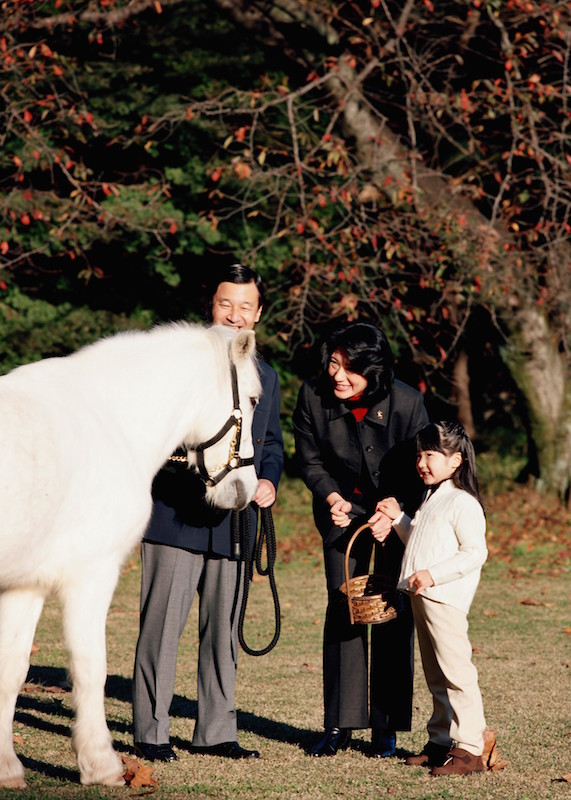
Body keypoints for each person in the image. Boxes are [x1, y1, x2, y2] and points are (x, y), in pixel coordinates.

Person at [132, 264, 284, 762]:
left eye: (245, 307)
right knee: (161, 629)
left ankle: (217, 731)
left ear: (258, 314)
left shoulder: (267, 376)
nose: (235, 316)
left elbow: (274, 446)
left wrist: (267, 480)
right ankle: (150, 733)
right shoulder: (177, 365)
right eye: (226, 304)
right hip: (175, 517)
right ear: (211, 307)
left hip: (235, 523)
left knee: (223, 634)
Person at [293, 321, 429, 758]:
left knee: (391, 609)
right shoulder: (312, 396)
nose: (338, 376)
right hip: (340, 514)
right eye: (334, 363)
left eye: (350, 369)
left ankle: (386, 727)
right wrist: (331, 496)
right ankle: (339, 723)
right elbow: (309, 460)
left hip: (394, 513)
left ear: (374, 371)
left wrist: (396, 510)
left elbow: (423, 469)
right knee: (344, 606)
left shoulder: (408, 402)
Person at [374, 421, 489, 775]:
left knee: (456, 673)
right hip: (423, 598)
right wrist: (399, 520)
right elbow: (423, 543)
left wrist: (433, 575)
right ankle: (440, 741)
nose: (422, 463)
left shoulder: (463, 503)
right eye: (420, 455)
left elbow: (474, 553)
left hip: (445, 599)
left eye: (431, 455)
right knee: (436, 674)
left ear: (455, 461)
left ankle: (470, 747)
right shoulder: (433, 498)